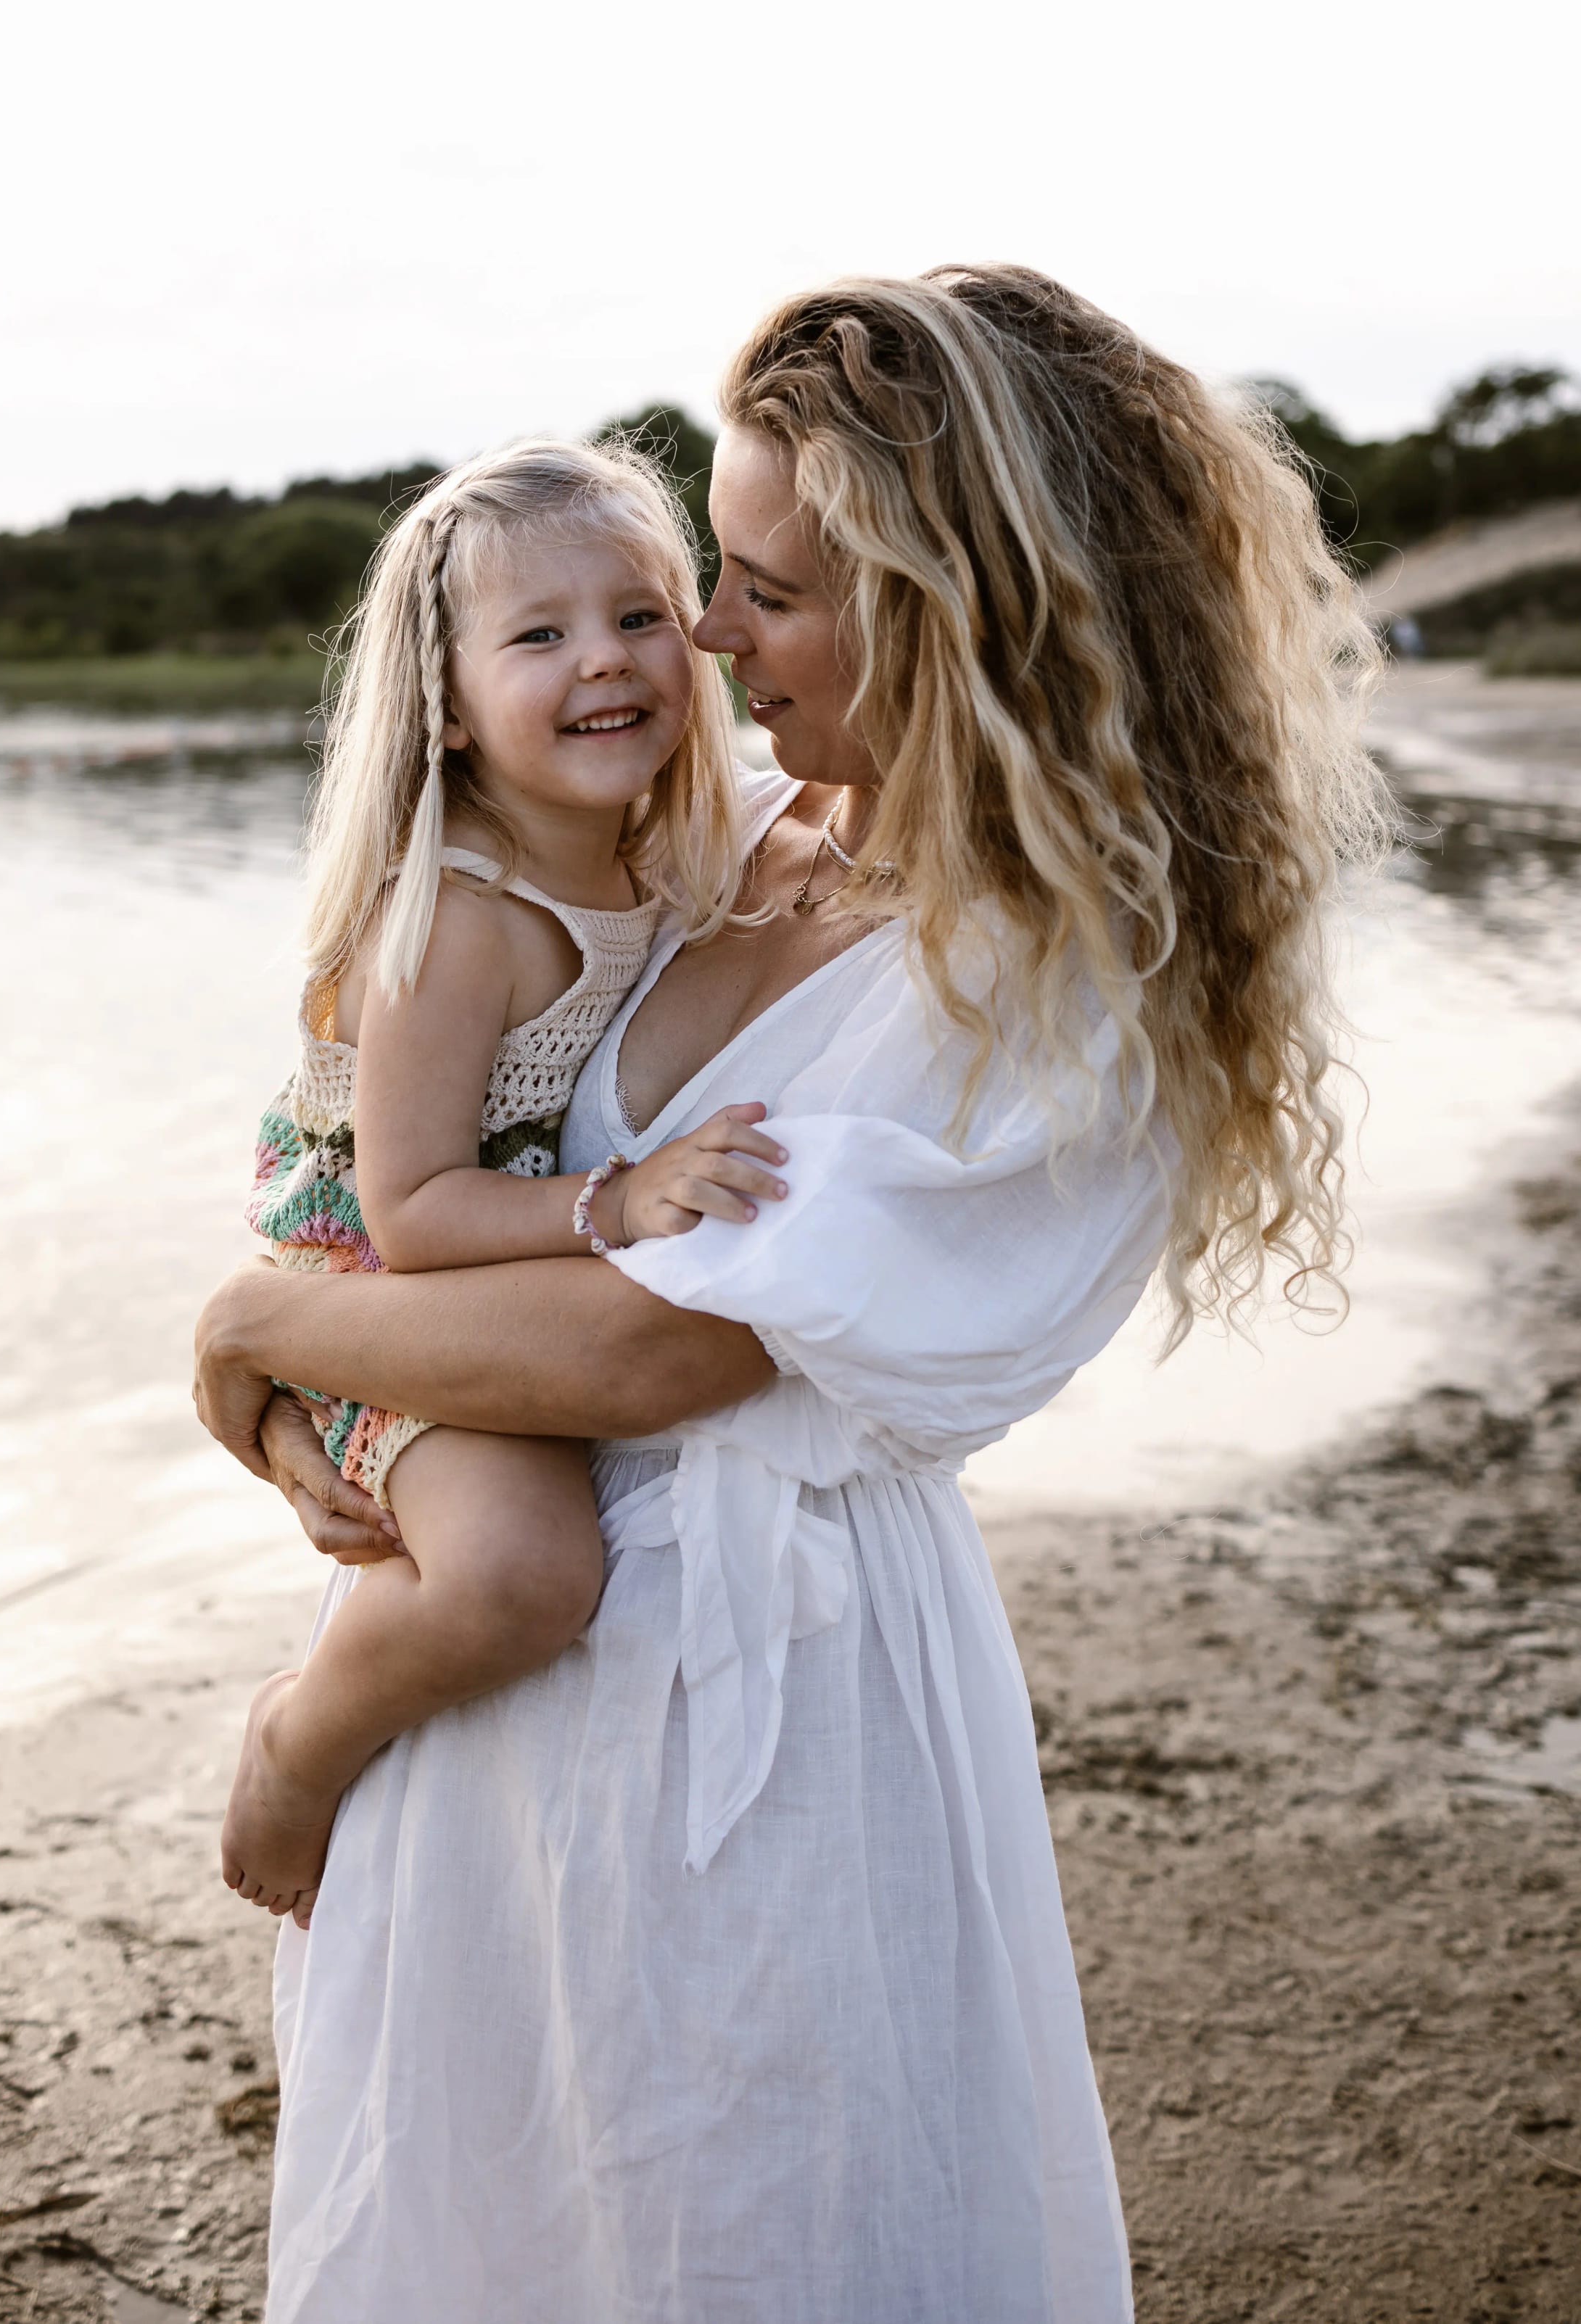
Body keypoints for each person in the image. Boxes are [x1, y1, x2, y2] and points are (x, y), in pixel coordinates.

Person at [194, 266, 1390, 2323]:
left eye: (766, 589)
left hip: (759, 1715)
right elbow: (453, 1131)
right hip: (490, 1660)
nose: (708, 640)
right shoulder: (748, 821)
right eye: (706, 579)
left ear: (960, 608)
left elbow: (654, 1345)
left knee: (749, 2225)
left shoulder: (1046, 981)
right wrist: (316, 1384)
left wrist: (249, 1334)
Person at [223, 436, 793, 1927]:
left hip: (488, 1250)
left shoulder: (658, 840)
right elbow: (407, 1214)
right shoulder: (459, 917)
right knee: (522, 1575)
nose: (600, 661)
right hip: (372, 1266)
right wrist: (617, 1197)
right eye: (536, 635)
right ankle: (297, 1739)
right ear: (452, 709)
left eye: (636, 615)